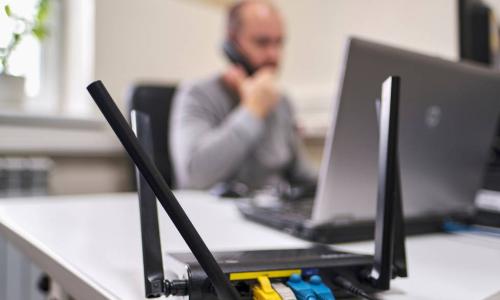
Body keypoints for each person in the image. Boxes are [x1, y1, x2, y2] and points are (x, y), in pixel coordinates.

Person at [170, 0, 316, 191]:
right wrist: (252, 111)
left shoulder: (281, 102)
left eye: (279, 42)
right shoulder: (196, 95)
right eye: (262, 42)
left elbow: (304, 176)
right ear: (232, 44)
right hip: (212, 217)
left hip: (270, 214)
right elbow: (194, 176)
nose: (273, 55)